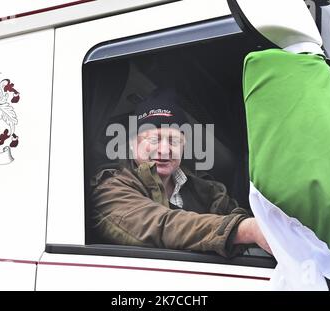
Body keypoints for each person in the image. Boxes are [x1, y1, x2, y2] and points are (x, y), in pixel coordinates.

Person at [91, 88, 271, 258]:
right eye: (154, 139)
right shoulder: (110, 187)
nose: (164, 150)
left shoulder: (208, 190)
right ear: (132, 143)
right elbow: (160, 226)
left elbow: (241, 215)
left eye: (174, 140)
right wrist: (246, 230)